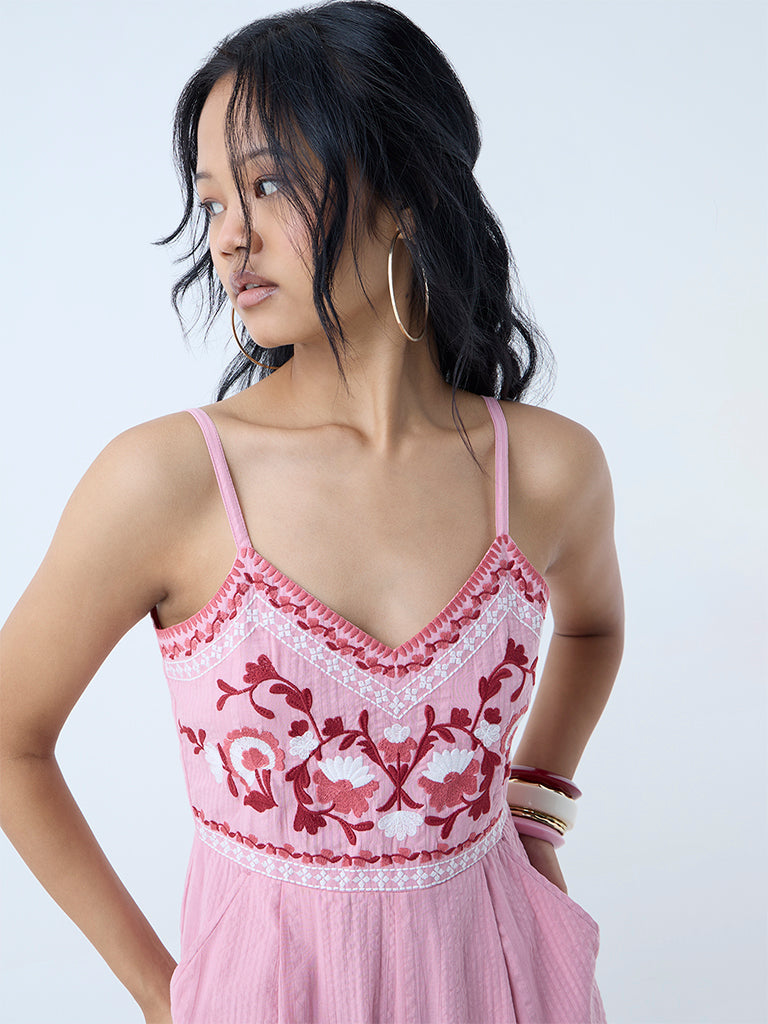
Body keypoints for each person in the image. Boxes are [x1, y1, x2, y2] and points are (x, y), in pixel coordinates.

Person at [0, 1, 624, 1021]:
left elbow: (595, 628)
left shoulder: (549, 470)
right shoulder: (171, 479)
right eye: (212, 200)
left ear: (409, 192)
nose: (228, 237)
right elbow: (9, 736)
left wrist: (535, 814)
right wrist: (166, 997)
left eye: (267, 184)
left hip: (505, 981)